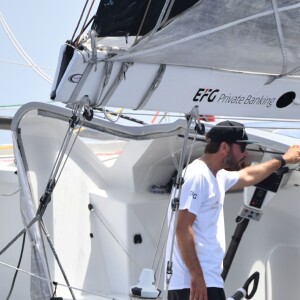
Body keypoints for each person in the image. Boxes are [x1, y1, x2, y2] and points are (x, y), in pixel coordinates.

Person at [166, 120, 300, 300]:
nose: (245, 154)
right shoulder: (197, 175)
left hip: (208, 282)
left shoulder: (218, 176)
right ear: (224, 147)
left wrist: (283, 159)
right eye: (242, 147)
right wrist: (197, 277)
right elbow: (182, 229)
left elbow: (249, 175)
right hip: (193, 285)